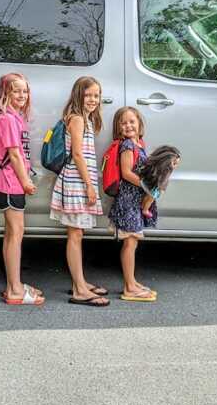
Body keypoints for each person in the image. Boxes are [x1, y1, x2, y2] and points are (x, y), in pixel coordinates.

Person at [50, 76, 109, 307]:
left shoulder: (85, 118)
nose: (93, 99)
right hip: (75, 182)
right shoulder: (76, 119)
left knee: (78, 234)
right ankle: (79, 289)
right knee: (74, 235)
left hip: (78, 181)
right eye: (89, 95)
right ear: (78, 95)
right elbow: (76, 154)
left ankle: (80, 282)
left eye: (96, 95)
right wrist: (89, 185)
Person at [0, 73, 44, 306]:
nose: (22, 95)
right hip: (12, 183)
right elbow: (13, 154)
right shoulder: (8, 120)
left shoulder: (16, 118)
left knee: (12, 234)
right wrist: (25, 182)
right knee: (15, 234)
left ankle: (14, 284)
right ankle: (14, 289)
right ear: (6, 93)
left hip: (12, 183)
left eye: (25, 91)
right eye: (16, 91)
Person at [106, 106, 158, 302]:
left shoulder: (140, 144)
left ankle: (132, 282)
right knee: (130, 242)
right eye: (123, 122)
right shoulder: (127, 145)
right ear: (118, 128)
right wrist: (147, 186)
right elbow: (127, 173)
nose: (128, 125)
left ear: (139, 124)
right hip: (128, 201)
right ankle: (129, 287)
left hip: (135, 201)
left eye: (132, 122)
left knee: (133, 242)